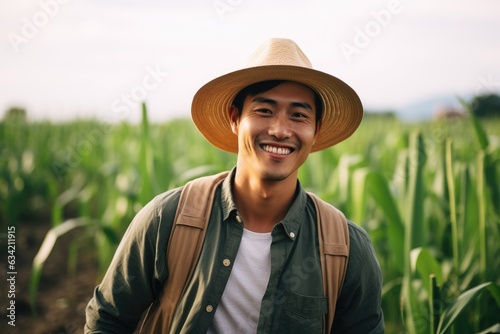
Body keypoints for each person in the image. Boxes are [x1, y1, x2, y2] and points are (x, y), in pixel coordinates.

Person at [85, 38, 384, 333]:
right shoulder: (169, 219)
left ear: (315, 130)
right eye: (264, 111)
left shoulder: (345, 249)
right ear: (234, 118)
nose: (280, 130)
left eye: (298, 115)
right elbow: (108, 321)